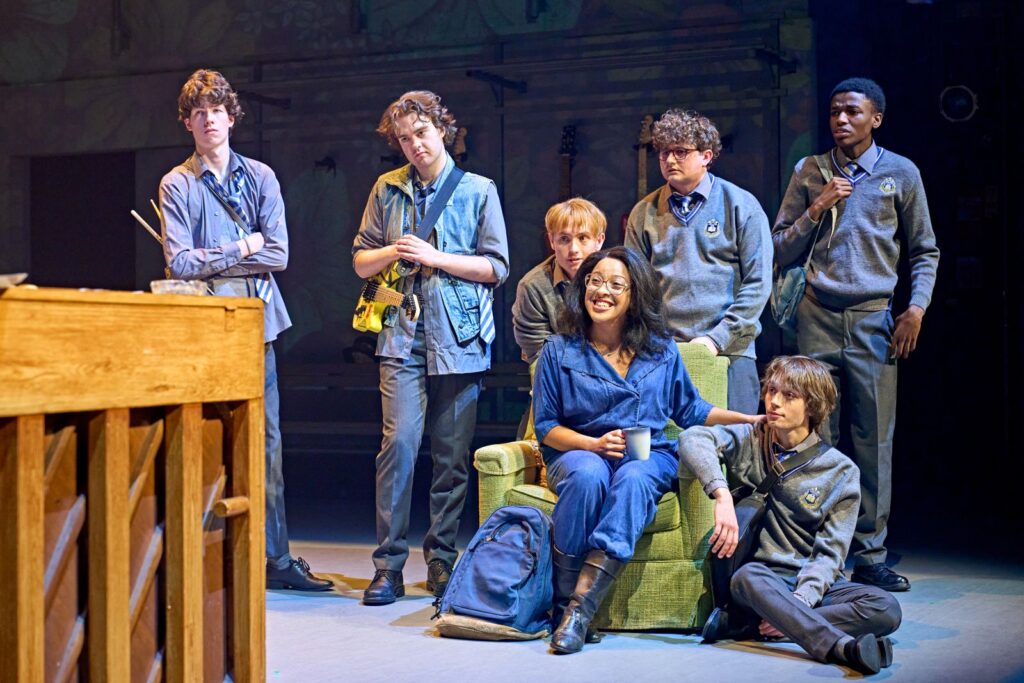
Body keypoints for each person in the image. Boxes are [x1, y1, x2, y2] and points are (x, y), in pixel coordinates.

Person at [532, 246, 760, 654]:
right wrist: (593, 444)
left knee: (636, 477)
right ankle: (563, 602)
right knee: (588, 475)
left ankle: (580, 611)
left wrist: (747, 419)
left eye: (615, 284)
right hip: (579, 449)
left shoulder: (660, 349)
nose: (602, 291)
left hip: (646, 452)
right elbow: (546, 426)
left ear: (634, 294)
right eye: (595, 281)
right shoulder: (559, 349)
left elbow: (691, 410)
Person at [159, 69, 331, 591]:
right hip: (205, 331)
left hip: (258, 327)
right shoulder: (177, 183)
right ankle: (208, 556)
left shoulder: (260, 177)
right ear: (187, 122)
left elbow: (279, 254)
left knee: (267, 443)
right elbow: (179, 264)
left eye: (216, 110)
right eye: (198, 113)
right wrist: (244, 246)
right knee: (204, 439)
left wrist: (224, 256)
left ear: (231, 117)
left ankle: (275, 560)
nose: (208, 120)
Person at [772, 77, 940, 591]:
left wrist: (915, 308)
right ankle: (815, 548)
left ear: (876, 118)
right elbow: (778, 247)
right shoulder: (810, 171)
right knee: (814, 437)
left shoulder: (900, 173)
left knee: (873, 441)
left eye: (852, 111)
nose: (841, 120)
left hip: (873, 321)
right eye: (834, 112)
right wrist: (816, 207)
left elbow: (925, 250)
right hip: (816, 316)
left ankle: (868, 554)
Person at [352, 91, 510, 605]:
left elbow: (497, 267)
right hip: (401, 334)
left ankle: (441, 558)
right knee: (397, 448)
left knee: (451, 456)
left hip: (459, 337)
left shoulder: (478, 190)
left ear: (442, 129)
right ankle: (388, 566)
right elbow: (360, 262)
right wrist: (392, 251)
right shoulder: (386, 189)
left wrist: (436, 257)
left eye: (421, 133)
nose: (414, 145)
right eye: (404, 138)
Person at [679, 356, 902, 675]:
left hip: (810, 583)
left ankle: (758, 626)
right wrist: (721, 493)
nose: (774, 401)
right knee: (747, 576)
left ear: (813, 406)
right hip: (762, 582)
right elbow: (692, 438)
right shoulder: (751, 439)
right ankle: (841, 647)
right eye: (771, 390)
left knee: (886, 608)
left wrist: (799, 602)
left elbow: (829, 554)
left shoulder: (840, 471)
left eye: (789, 395)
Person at [625, 109, 772, 414]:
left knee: (736, 437)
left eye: (680, 151)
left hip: (732, 350)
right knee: (668, 439)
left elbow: (758, 283)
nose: (670, 160)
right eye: (664, 152)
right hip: (668, 353)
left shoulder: (740, 204)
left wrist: (717, 339)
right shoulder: (643, 213)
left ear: (706, 156)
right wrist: (655, 344)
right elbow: (635, 288)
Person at [511, 198, 606, 364]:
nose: (573, 249)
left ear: (599, 241)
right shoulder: (533, 286)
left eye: (583, 238)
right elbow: (539, 352)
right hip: (557, 371)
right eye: (564, 239)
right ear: (552, 241)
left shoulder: (618, 277)